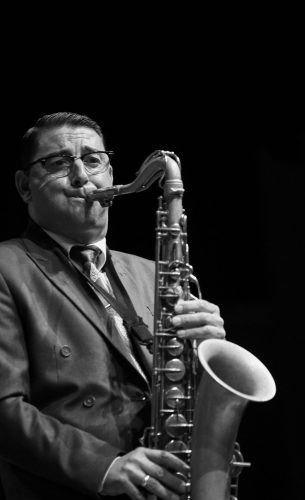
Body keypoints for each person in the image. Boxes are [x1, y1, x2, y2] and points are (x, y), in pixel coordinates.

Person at [0, 112, 226, 500]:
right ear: (24, 187)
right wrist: (105, 466)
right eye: (58, 163)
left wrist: (208, 354)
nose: (81, 176)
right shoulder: (6, 267)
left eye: (93, 160)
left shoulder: (155, 272)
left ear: (109, 174)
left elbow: (183, 393)